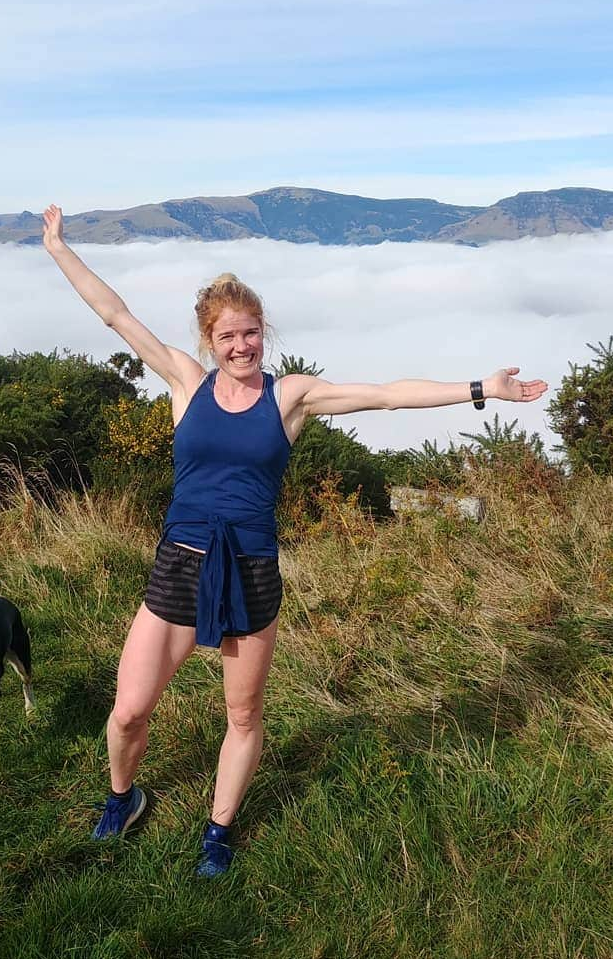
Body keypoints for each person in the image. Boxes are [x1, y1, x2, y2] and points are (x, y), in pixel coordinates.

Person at [41, 203, 548, 877]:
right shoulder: (183, 382)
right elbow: (114, 313)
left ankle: (218, 833)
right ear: (208, 339)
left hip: (249, 568)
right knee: (129, 711)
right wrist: (56, 248)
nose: (242, 346)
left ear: (263, 332)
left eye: (251, 333)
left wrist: (484, 387)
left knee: (243, 715)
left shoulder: (291, 398)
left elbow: (388, 396)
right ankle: (122, 797)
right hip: (181, 564)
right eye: (228, 336)